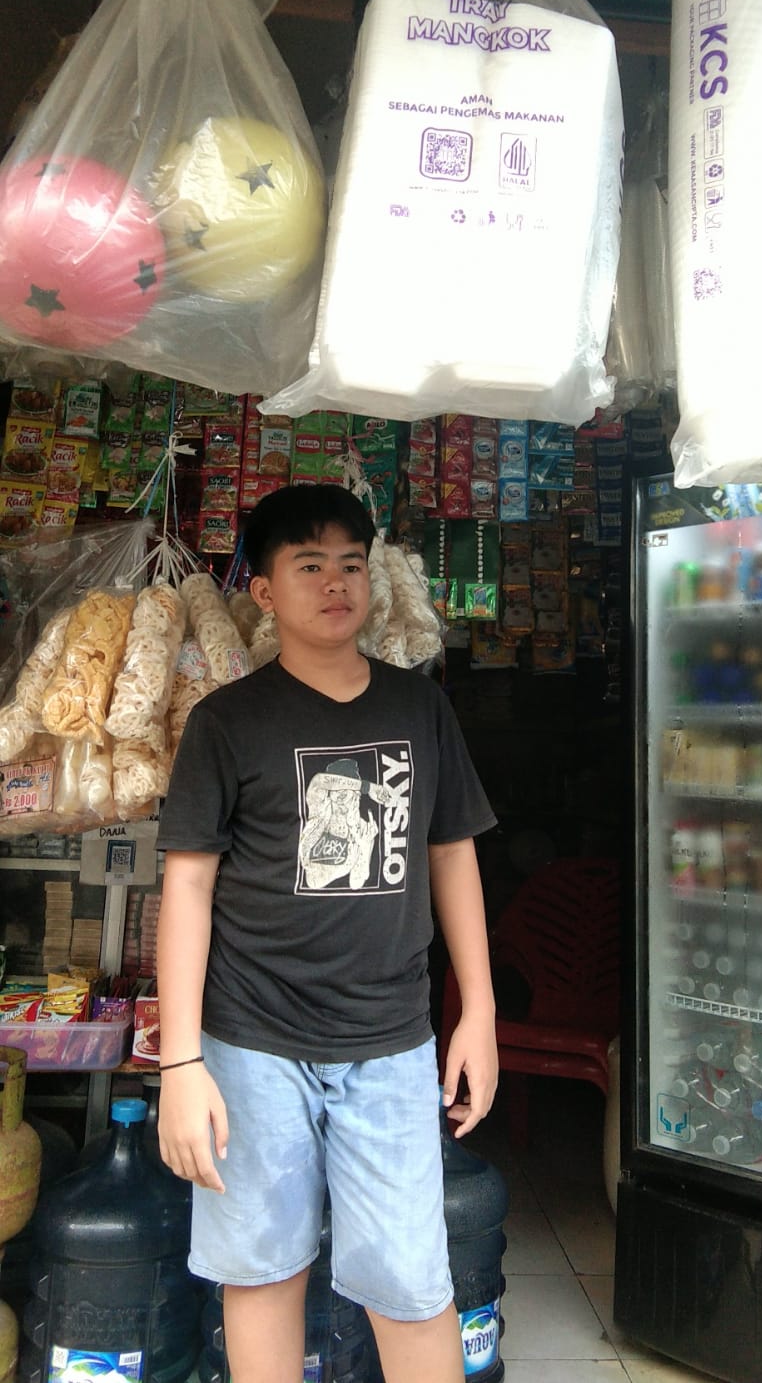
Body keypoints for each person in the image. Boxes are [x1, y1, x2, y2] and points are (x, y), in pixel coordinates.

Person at [156, 484, 498, 1383]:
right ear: (264, 591)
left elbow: (451, 853)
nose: (335, 582)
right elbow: (187, 886)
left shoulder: (419, 709)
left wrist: (478, 1010)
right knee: (262, 1270)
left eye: (351, 562)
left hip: (389, 1039)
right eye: (308, 564)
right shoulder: (226, 722)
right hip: (250, 1042)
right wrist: (180, 1062)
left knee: (410, 1282)